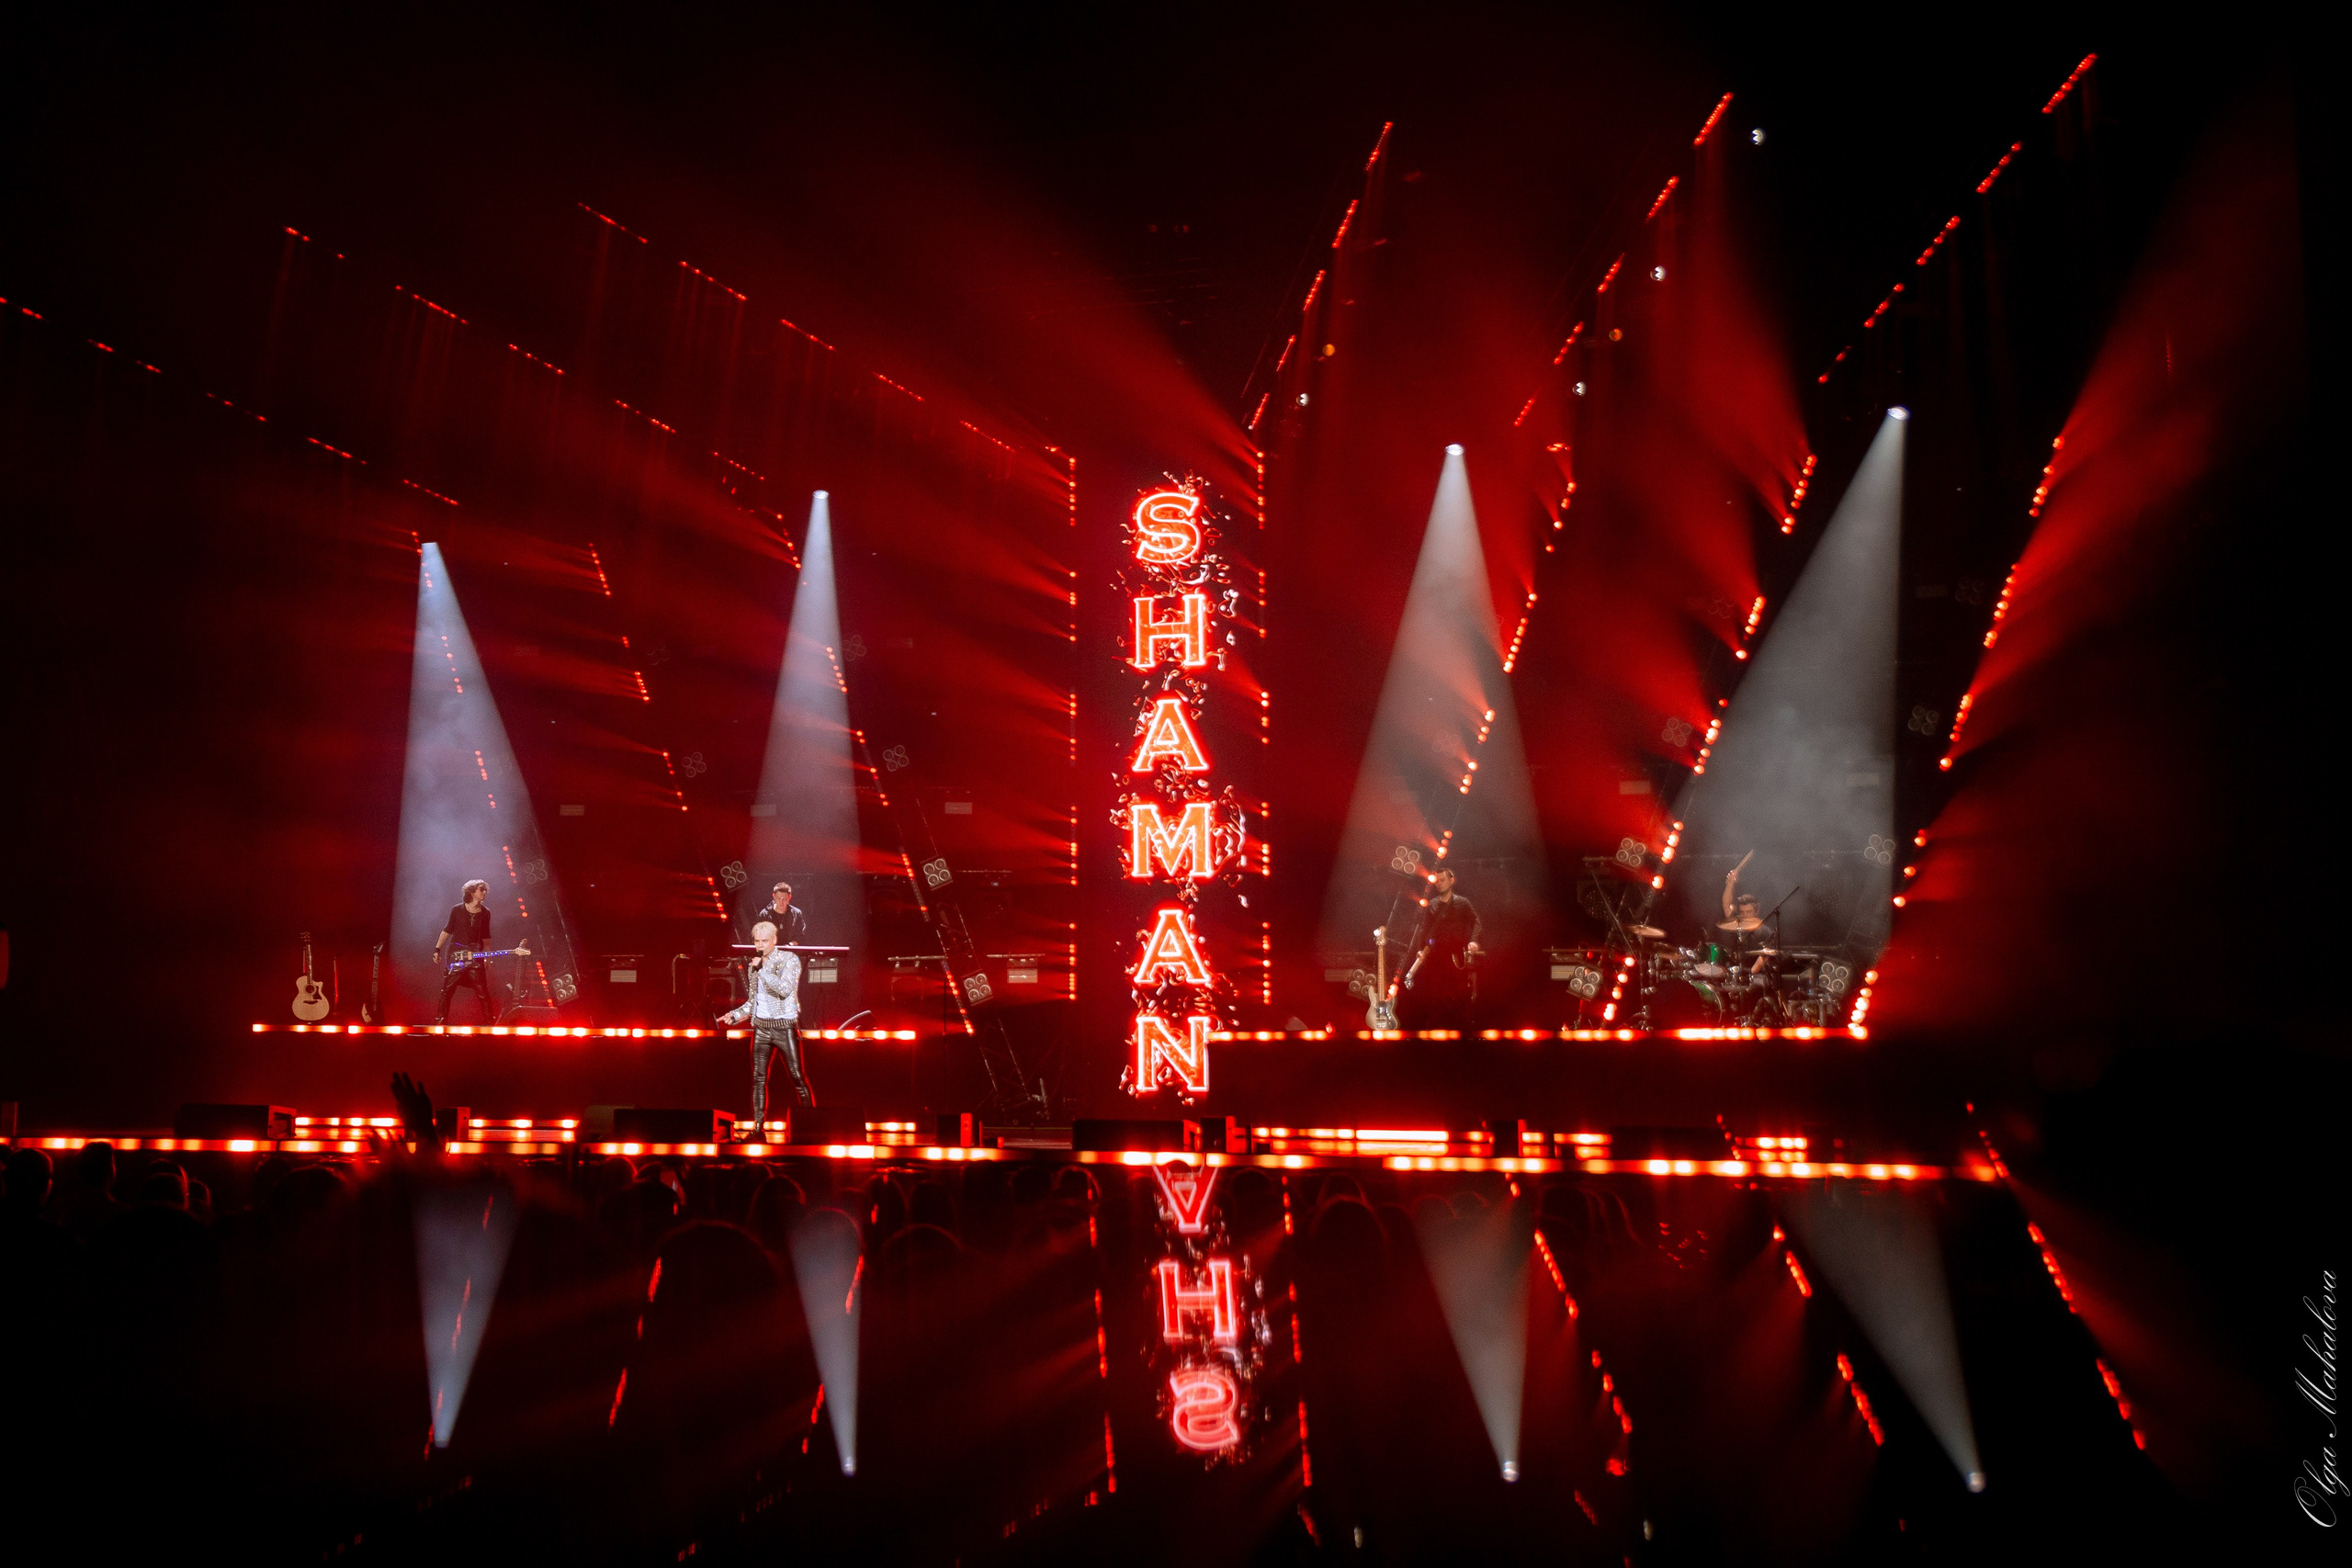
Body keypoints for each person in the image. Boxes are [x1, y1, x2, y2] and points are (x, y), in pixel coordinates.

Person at [720, 918, 809, 1133]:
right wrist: (735, 1015)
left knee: (796, 1075)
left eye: (763, 941)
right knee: (758, 1079)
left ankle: (810, 1120)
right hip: (761, 1028)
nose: (759, 945)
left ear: (774, 940)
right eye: (756, 941)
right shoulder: (755, 964)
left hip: (783, 1027)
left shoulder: (789, 959)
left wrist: (762, 970)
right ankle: (758, 1128)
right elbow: (753, 1001)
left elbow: (784, 990)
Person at [432, 879, 526, 1023]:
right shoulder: (457, 909)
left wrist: (487, 958)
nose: (484, 892)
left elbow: (486, 937)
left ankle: (489, 1022)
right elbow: (447, 930)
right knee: (447, 989)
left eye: (485, 890)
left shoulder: (485, 913)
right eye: (481, 889)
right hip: (457, 956)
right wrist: (437, 949)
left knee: (482, 990)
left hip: (475, 957)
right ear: (471, 891)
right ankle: (441, 1019)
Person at [1399, 865, 1483, 1030]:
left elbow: (1476, 922)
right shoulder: (1432, 904)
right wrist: (1419, 949)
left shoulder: (1462, 903)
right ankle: (1435, 1028)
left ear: (1452, 881)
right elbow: (1424, 929)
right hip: (1435, 957)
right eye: (1437, 881)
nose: (1439, 884)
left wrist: (1474, 941)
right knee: (1435, 995)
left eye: (1443, 880)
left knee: (1458, 994)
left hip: (1456, 956)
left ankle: (1461, 1028)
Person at [748, 881, 809, 948]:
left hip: (790, 952)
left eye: (784, 899)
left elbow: (800, 935)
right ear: (774, 896)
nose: (781, 902)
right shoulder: (765, 914)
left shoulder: (797, 913)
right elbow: (756, 935)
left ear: (789, 897)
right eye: (779, 898)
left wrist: (790, 945)